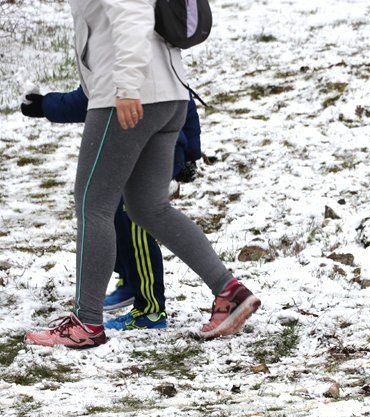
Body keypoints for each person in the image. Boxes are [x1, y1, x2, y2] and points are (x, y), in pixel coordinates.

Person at [25, 0, 259, 348]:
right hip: (169, 96)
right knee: (149, 207)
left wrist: (127, 87)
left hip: (129, 97)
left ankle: (86, 322)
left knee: (93, 205)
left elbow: (132, 13)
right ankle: (229, 292)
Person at [21, 85, 203, 330]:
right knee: (111, 212)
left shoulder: (129, 53)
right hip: (132, 144)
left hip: (157, 146)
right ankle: (130, 278)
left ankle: (150, 310)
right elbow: (95, 96)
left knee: (136, 218)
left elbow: (182, 97)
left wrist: (190, 153)